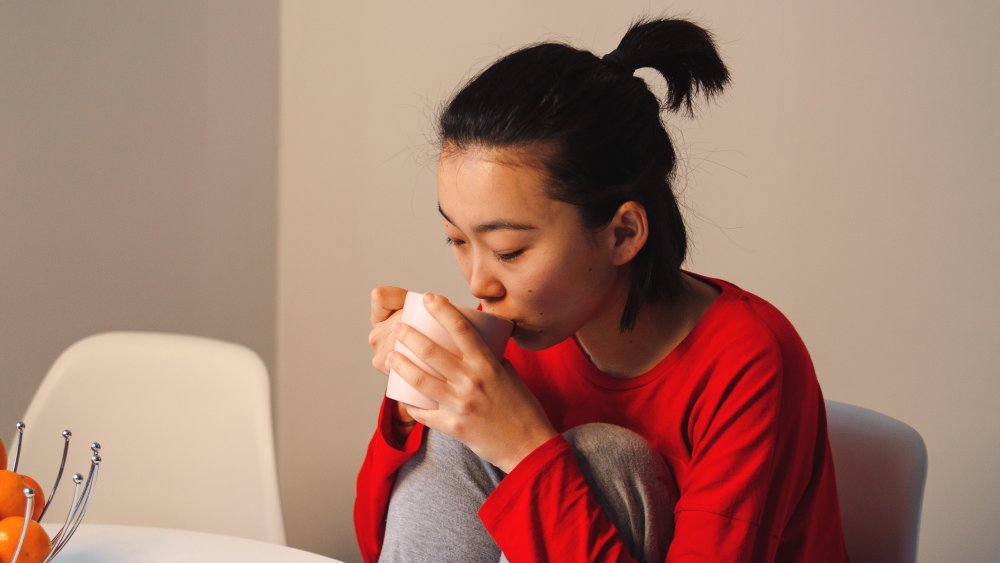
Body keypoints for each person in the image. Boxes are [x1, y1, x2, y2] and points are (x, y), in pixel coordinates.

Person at [355, 17, 849, 563]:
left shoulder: (749, 360)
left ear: (622, 233)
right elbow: (382, 548)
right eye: (456, 239)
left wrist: (522, 448)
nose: (479, 283)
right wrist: (414, 407)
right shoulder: (518, 325)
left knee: (606, 458)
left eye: (510, 251)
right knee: (453, 440)